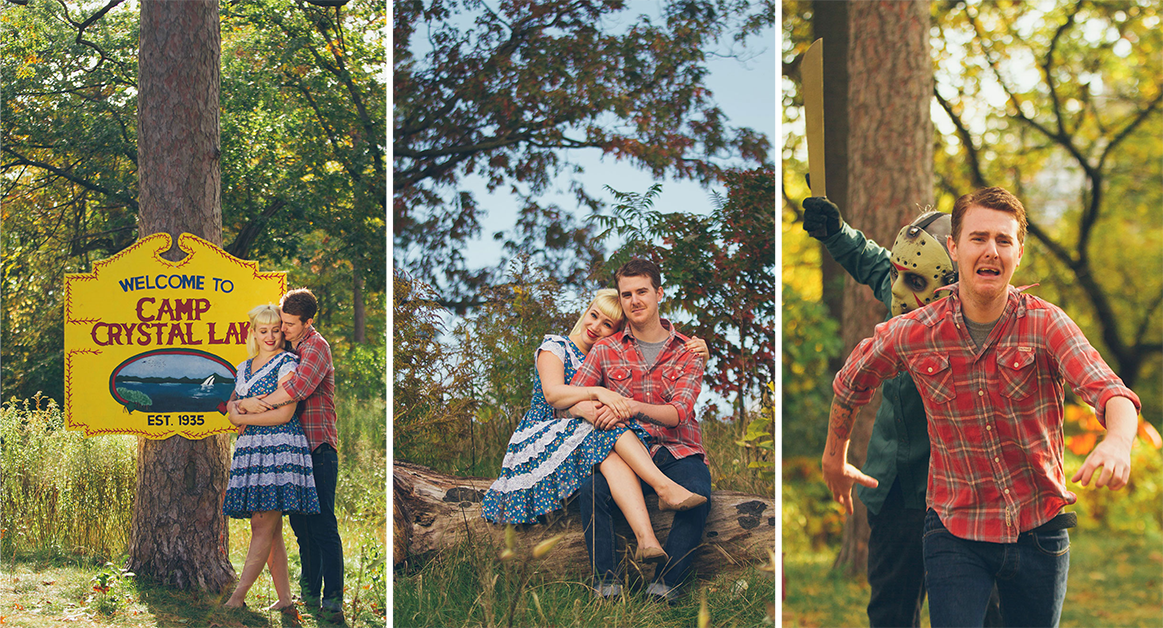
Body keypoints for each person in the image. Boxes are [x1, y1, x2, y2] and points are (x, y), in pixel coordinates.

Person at [823, 187, 1141, 628]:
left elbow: (1110, 390)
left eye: (1003, 240)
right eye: (977, 238)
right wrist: (833, 459)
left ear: (1019, 252)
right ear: (955, 248)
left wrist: (1118, 441)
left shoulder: (1046, 324)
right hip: (954, 531)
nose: (990, 250)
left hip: (1039, 530)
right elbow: (851, 381)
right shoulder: (914, 331)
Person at [803, 197, 1002, 628]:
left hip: (970, 495)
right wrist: (836, 231)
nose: (896, 288)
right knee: (892, 610)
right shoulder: (906, 299)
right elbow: (873, 262)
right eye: (898, 273)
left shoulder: (987, 326)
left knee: (984, 615)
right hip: (895, 489)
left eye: (912, 278)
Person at [481, 288, 708, 566]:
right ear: (585, 312)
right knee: (607, 430)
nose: (595, 327)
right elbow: (553, 395)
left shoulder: (604, 354)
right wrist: (599, 394)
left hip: (586, 433)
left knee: (607, 437)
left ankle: (647, 540)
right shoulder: (556, 347)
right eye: (594, 316)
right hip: (545, 430)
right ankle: (662, 488)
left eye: (607, 325)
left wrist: (698, 351)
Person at [568, 258, 710, 603]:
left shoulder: (688, 350)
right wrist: (597, 409)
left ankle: (664, 586)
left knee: (698, 494)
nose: (634, 300)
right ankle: (606, 585)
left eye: (642, 291)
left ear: (659, 293)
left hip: (677, 448)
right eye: (626, 294)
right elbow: (571, 399)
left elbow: (678, 413)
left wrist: (632, 407)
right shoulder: (606, 348)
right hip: (624, 455)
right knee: (591, 489)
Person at [238, 288, 343, 620]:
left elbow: (296, 390)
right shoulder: (288, 345)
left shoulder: (316, 348)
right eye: (281, 322)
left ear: (308, 322)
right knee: (301, 528)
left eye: (290, 324)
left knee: (323, 523)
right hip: (293, 453)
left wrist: (248, 408)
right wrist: (239, 404)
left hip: (319, 447)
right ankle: (308, 593)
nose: (282, 329)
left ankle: (333, 599)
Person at [222, 304, 320, 611]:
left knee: (261, 523)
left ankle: (237, 598)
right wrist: (240, 413)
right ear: (254, 332)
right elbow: (231, 413)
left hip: (280, 449)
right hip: (252, 451)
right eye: (263, 331)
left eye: (276, 330)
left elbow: (286, 412)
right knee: (271, 527)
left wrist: (244, 414)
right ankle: (285, 599)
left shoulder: (287, 362)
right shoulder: (244, 367)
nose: (271, 336)